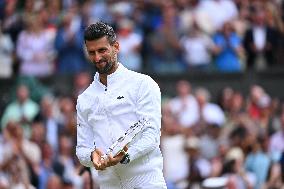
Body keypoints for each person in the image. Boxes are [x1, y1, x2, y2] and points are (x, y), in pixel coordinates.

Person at [76, 21, 167, 189]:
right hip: (108, 185)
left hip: (146, 183)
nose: (97, 58)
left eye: (102, 50)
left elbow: (151, 137)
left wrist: (125, 155)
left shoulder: (142, 84)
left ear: (116, 47)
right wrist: (91, 156)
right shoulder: (85, 99)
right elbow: (82, 148)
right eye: (92, 52)